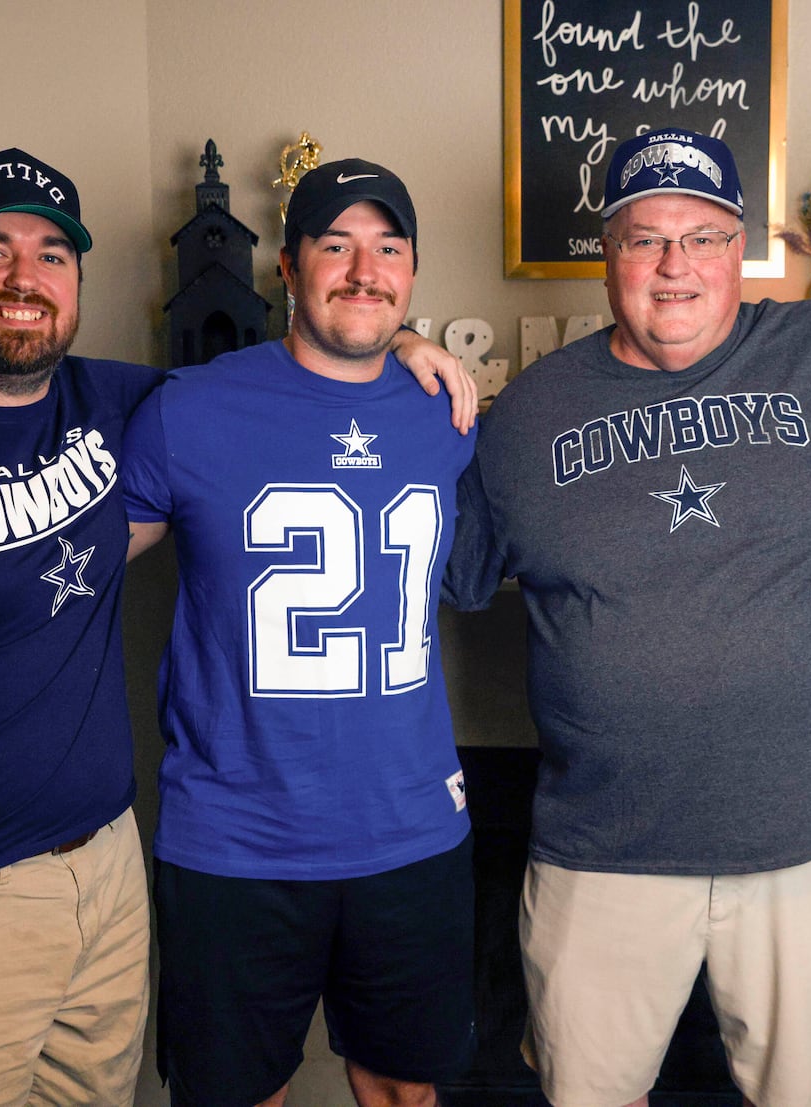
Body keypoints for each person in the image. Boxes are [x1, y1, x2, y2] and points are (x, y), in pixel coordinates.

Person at [0, 147, 474, 1107]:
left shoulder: (116, 403)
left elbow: (333, 359)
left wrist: (409, 341)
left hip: (113, 869)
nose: (22, 279)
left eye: (50, 256)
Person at [444, 128, 811, 1107]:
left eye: (702, 237)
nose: (675, 265)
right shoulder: (531, 415)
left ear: (739, 250)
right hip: (601, 858)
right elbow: (436, 570)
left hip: (799, 850)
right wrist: (403, 355)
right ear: (606, 257)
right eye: (645, 238)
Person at [122, 159, 476, 1107]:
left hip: (409, 831)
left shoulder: (450, 408)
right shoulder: (191, 407)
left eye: (387, 247)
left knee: (405, 1088)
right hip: (235, 839)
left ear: (411, 272)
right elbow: (65, 569)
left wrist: (407, 344)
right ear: (287, 266)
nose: (364, 269)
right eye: (336, 245)